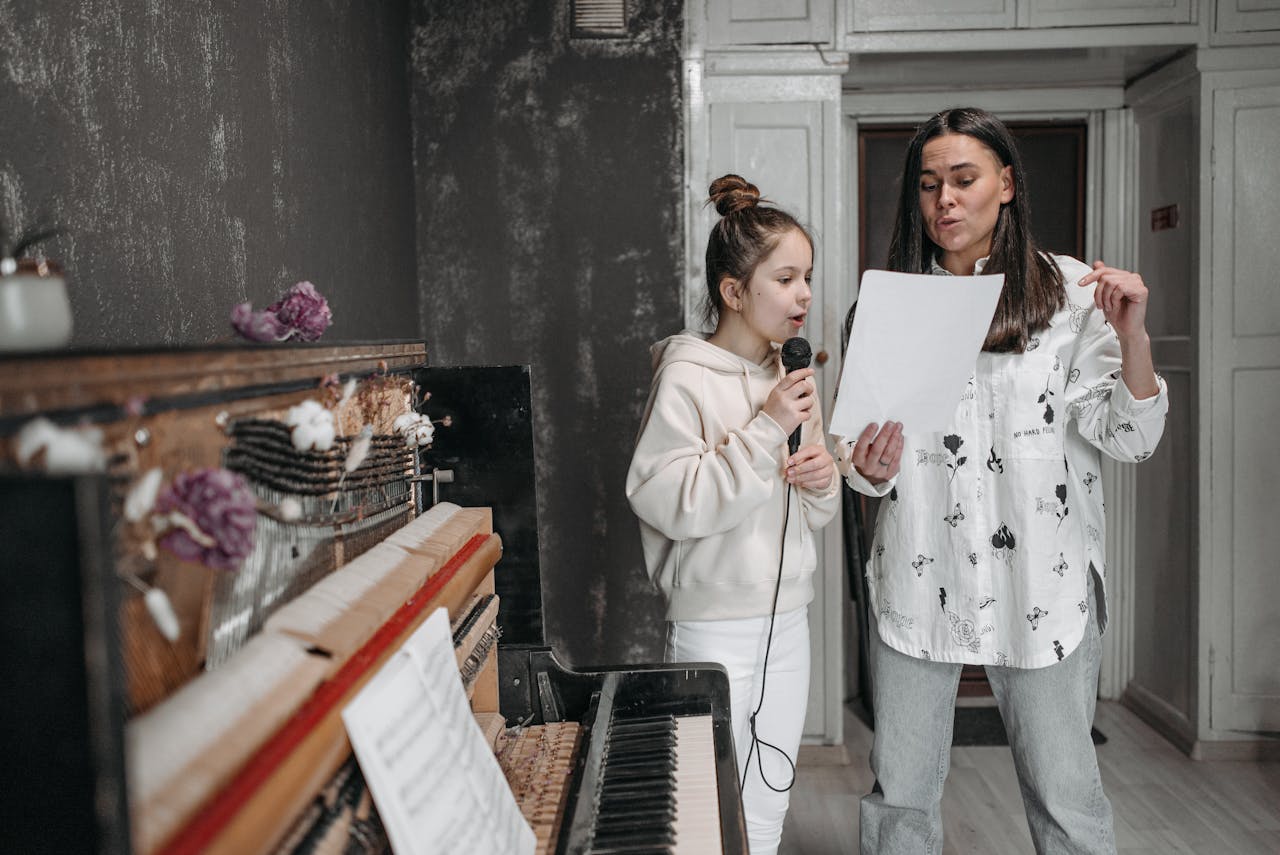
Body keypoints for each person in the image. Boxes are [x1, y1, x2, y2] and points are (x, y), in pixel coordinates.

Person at [838, 107, 1168, 855]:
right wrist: (871, 469)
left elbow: (1133, 437)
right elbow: (859, 469)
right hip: (920, 577)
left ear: (1008, 183)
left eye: (963, 179)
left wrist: (1133, 335)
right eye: (928, 185)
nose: (944, 201)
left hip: (1041, 583)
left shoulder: (1074, 294)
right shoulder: (885, 308)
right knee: (900, 800)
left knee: (1067, 798)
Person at [626, 174, 840, 855]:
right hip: (712, 627)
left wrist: (822, 474)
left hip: (788, 621)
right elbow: (668, 498)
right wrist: (767, 430)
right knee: (704, 815)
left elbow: (814, 511)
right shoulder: (685, 375)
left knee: (768, 807)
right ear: (734, 291)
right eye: (785, 277)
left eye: (807, 276)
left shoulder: (791, 377)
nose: (804, 294)